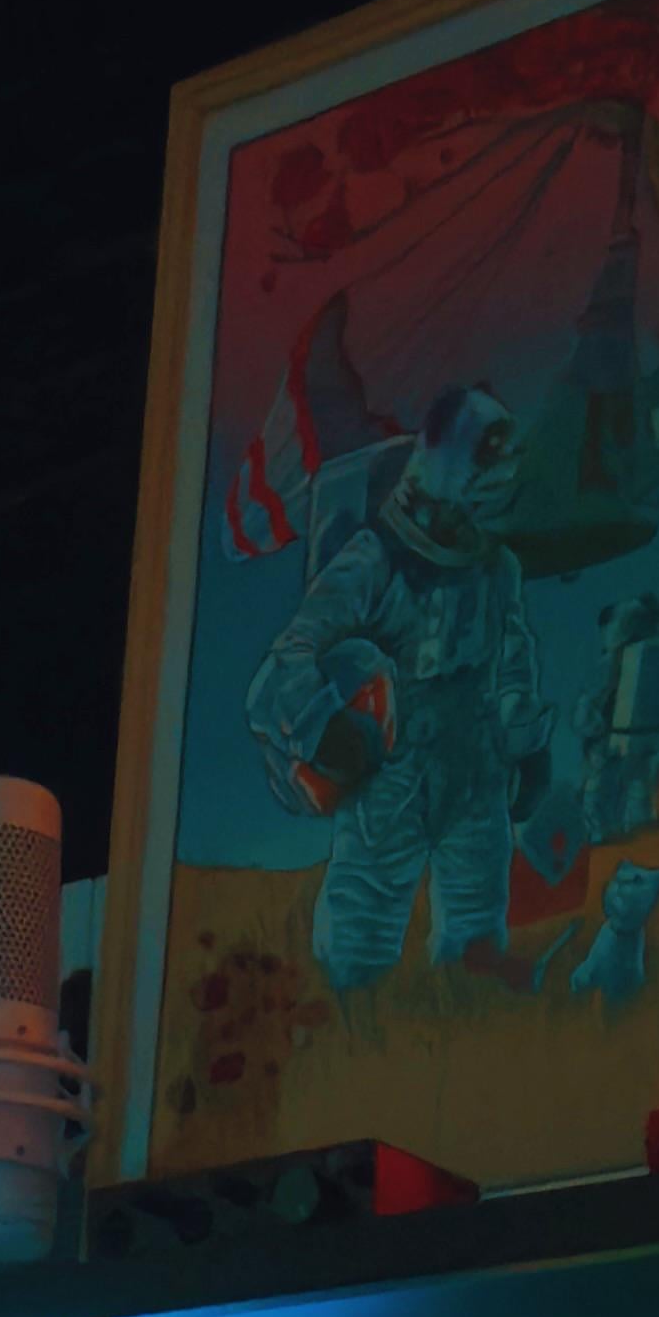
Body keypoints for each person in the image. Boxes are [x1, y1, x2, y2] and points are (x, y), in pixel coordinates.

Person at [247, 380, 554, 990]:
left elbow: (512, 661)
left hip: (477, 768)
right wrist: (324, 728)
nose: (499, 488)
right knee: (360, 937)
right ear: (453, 464)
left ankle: (463, 1022)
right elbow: (289, 658)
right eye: (488, 468)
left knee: (476, 931)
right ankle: (354, 1028)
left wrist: (527, 746)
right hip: (391, 772)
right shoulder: (375, 560)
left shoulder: (497, 569)